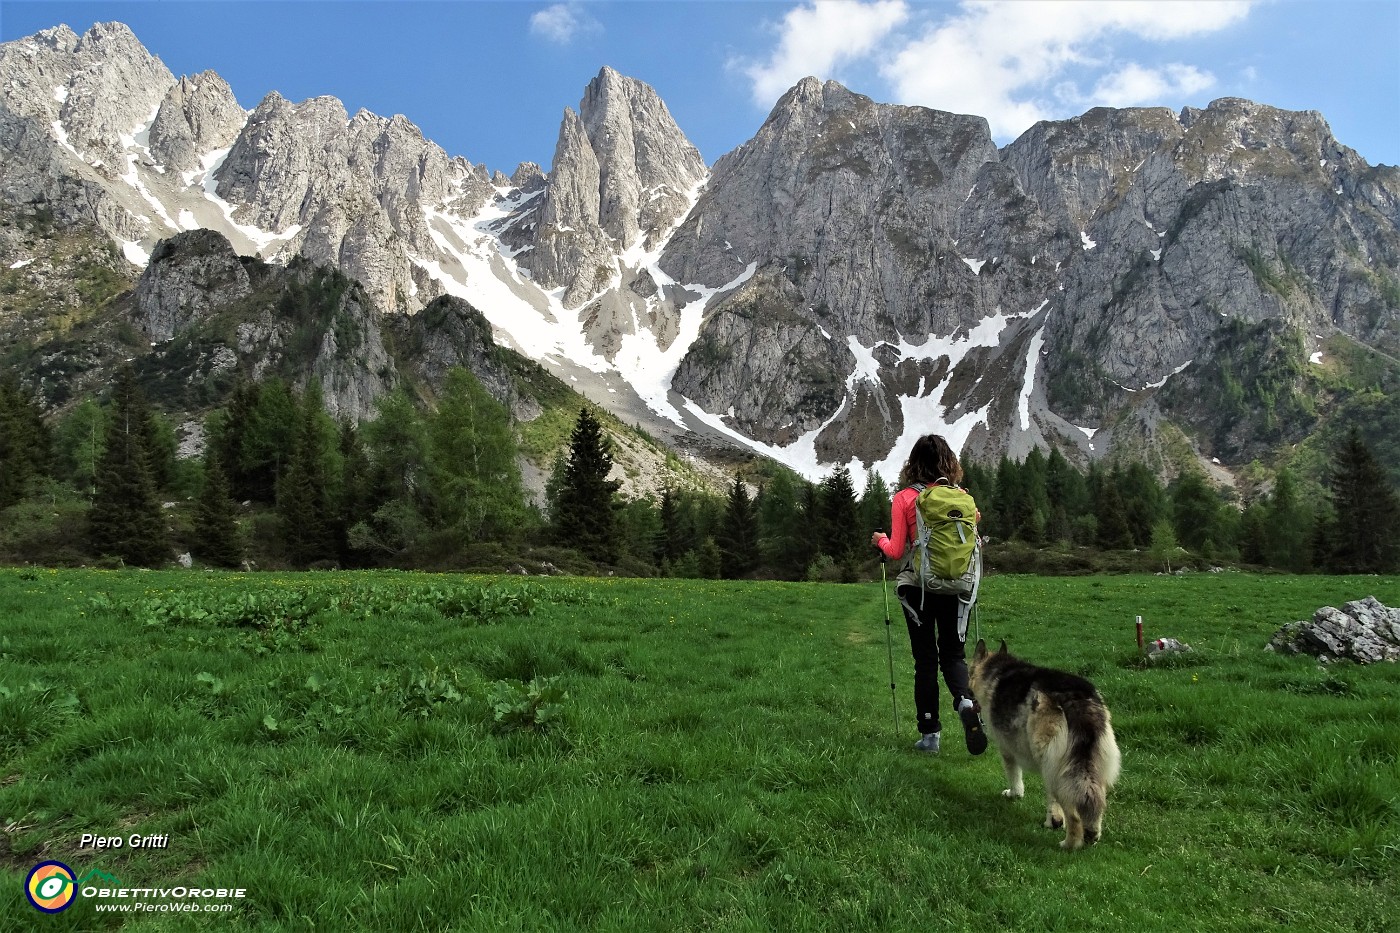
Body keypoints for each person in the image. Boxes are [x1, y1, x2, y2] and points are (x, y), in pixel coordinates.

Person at [870, 434, 986, 755]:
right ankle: (965, 702)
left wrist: (879, 540)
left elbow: (895, 551)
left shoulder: (904, 499)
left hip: (918, 589)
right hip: (956, 587)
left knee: (925, 660)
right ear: (949, 463)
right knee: (953, 654)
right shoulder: (962, 497)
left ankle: (930, 736)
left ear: (913, 463)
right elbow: (974, 527)